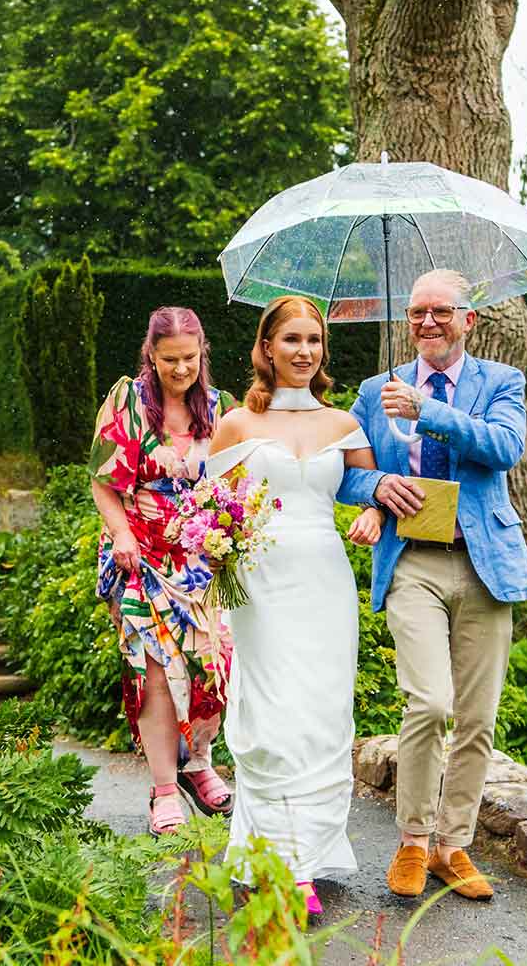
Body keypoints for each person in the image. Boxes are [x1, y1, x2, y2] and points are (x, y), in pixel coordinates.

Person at [341, 269, 527, 902]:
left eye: (442, 312)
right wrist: (374, 491)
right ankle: (410, 840)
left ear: (468, 320)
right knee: (428, 702)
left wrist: (429, 411)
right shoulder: (376, 391)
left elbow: (506, 447)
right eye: (418, 311)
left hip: (483, 563)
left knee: (478, 717)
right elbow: (340, 467)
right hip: (413, 562)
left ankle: (452, 846)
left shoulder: (500, 383)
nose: (428, 321)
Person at [205, 295, 385, 918]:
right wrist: (216, 545)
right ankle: (275, 860)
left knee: (322, 718)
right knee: (274, 719)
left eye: (313, 340)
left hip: (326, 584)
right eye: (291, 340)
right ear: (266, 349)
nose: (303, 351)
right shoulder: (236, 426)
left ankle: (306, 855)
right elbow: (206, 508)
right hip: (261, 586)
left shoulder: (343, 426)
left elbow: (370, 489)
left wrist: (371, 512)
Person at [90, 306, 239, 836]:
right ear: (150, 355)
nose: (181, 370)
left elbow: (238, 483)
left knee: (213, 669)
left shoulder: (222, 409)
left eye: (190, 359)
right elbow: (104, 483)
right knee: (154, 672)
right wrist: (123, 534)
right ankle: (162, 789)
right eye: (170, 359)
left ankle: (199, 763)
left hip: (205, 561)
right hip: (141, 557)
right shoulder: (128, 401)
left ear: (203, 354)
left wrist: (234, 532)